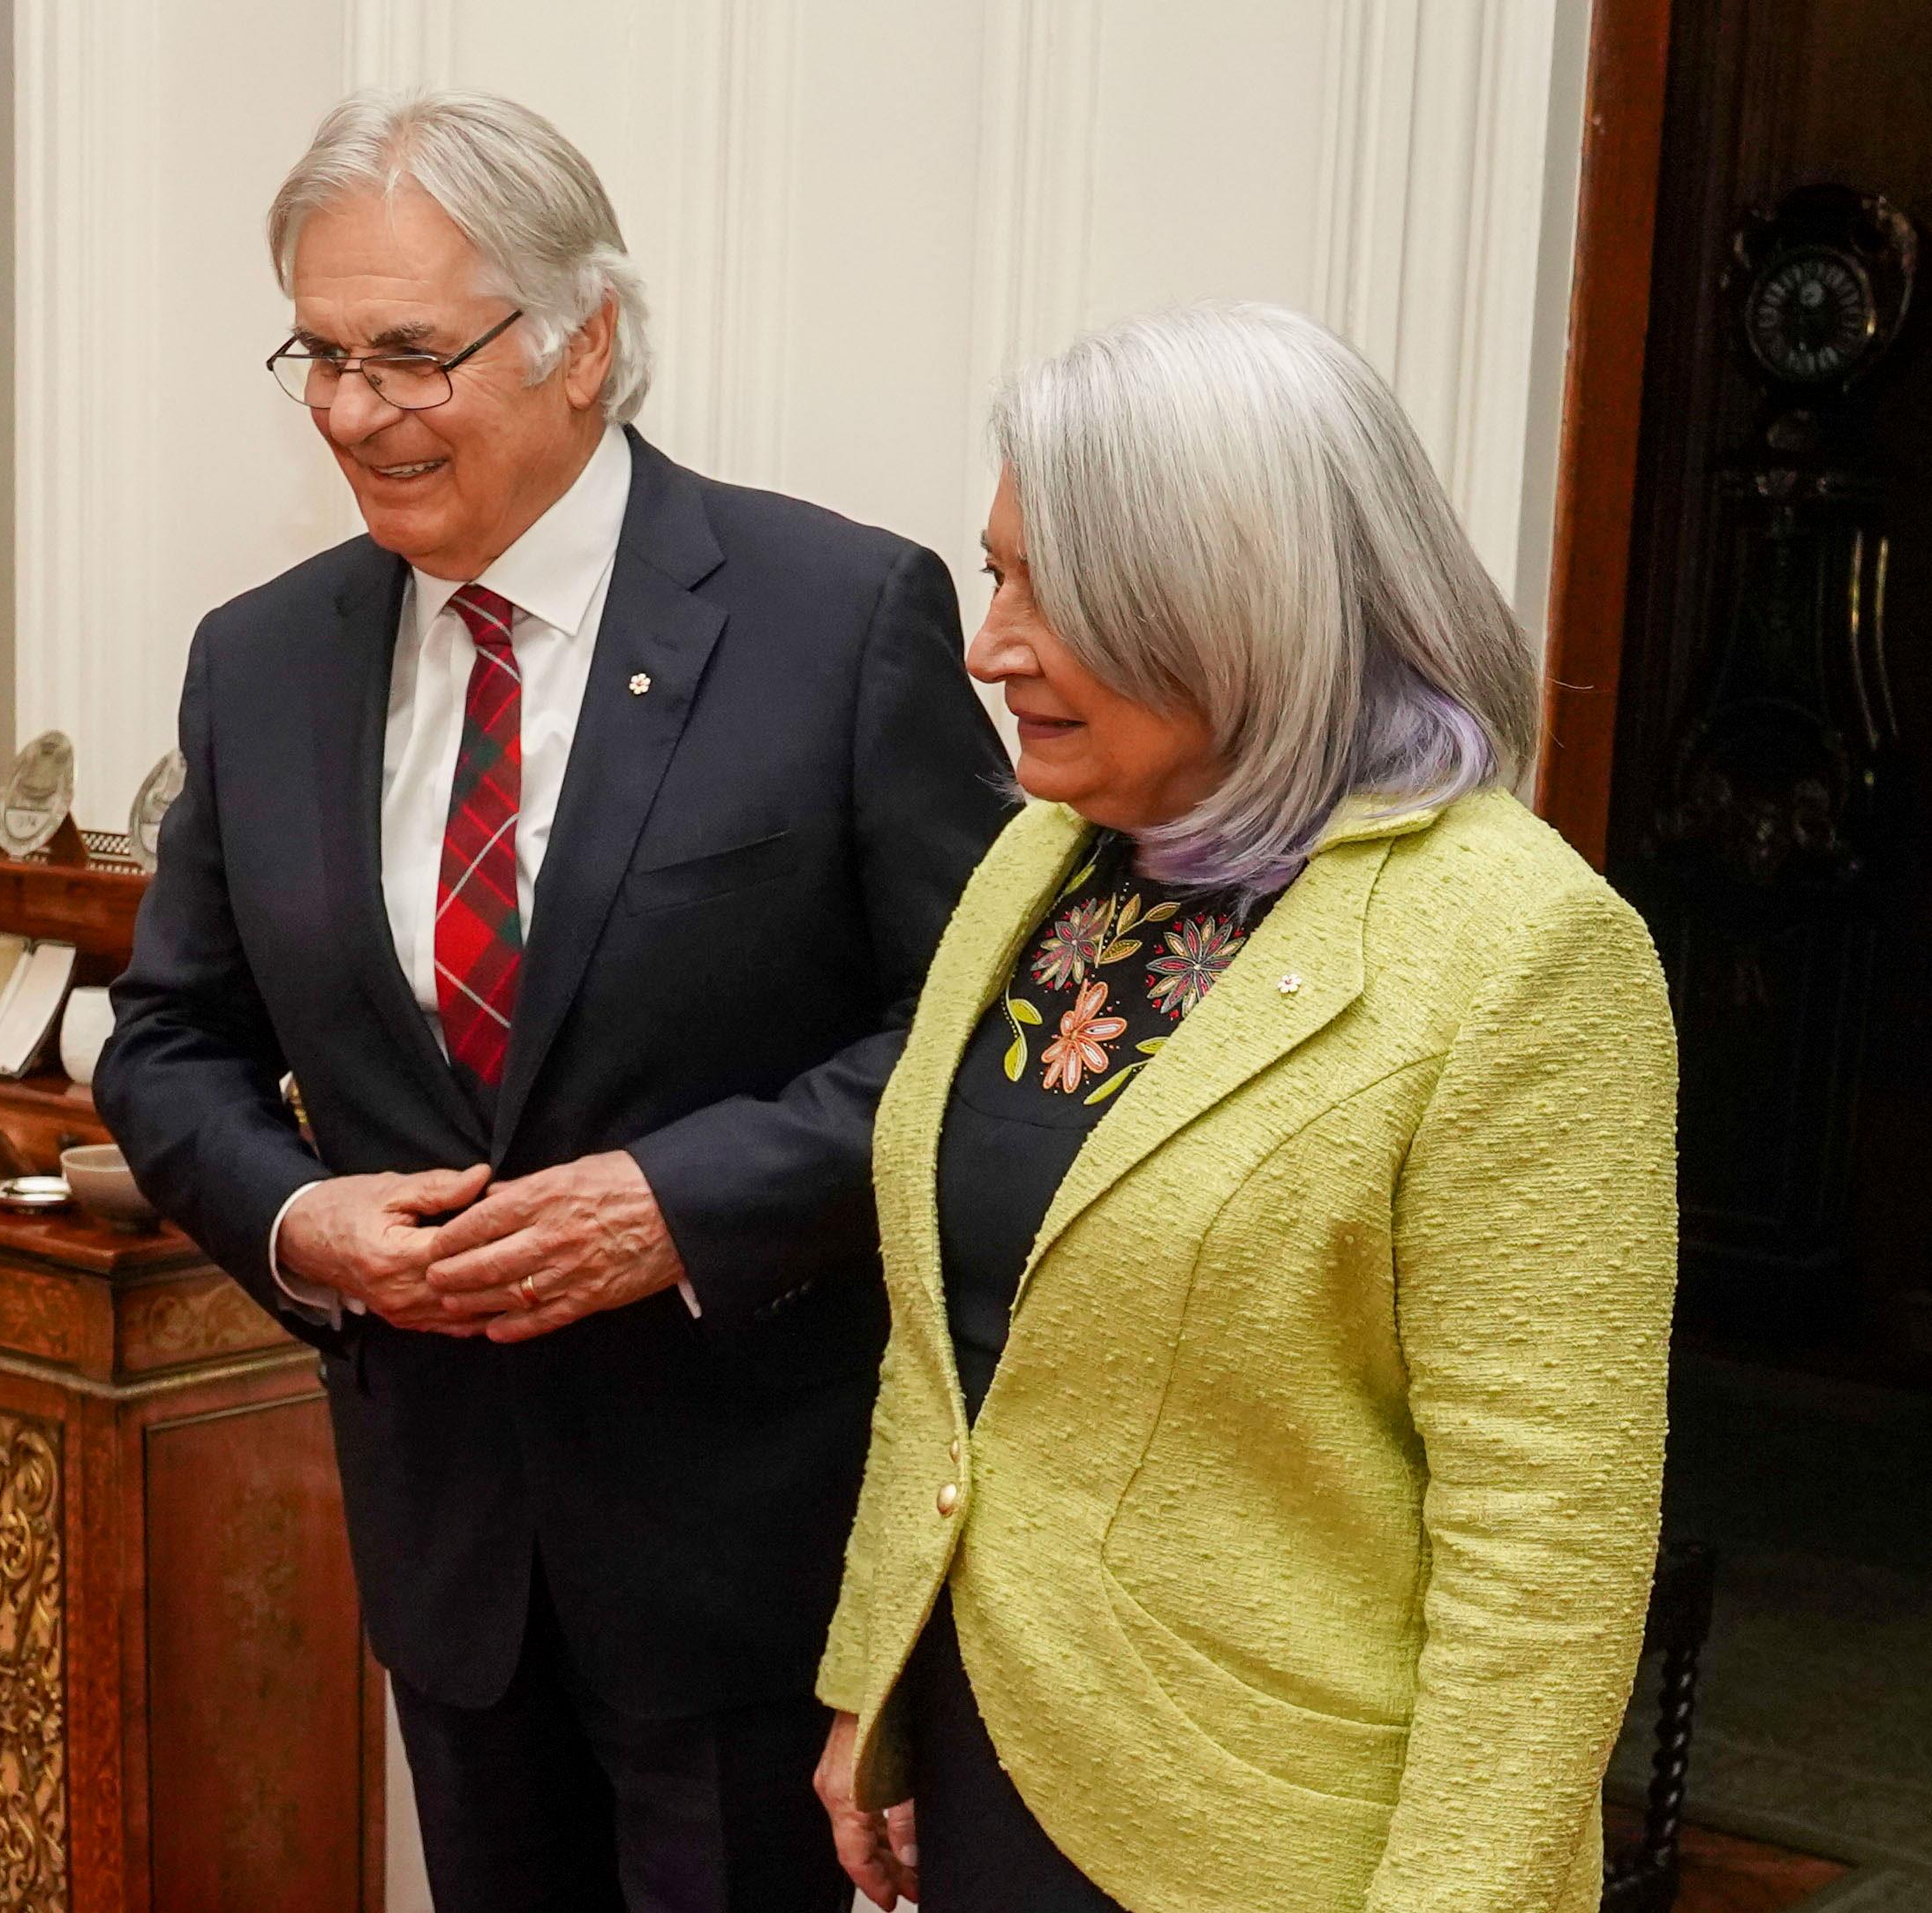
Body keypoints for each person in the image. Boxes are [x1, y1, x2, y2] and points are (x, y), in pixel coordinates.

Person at [94, 90, 1010, 1912]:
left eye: (411, 356)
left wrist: (684, 1204)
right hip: (454, 1552)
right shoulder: (262, 661)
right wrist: (295, 1219)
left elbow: (977, 1034)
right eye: (322, 356)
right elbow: (168, 1042)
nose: (355, 412)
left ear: (583, 340)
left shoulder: (838, 618)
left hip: (753, 1555)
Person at [810, 303, 1678, 1912]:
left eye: (1043, 590)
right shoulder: (1042, 854)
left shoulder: (1520, 947)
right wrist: (879, 1665)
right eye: (993, 572)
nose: (989, 644)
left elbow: (1546, 1541)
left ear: (1228, 606)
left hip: (1278, 1835)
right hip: (988, 1754)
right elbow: (950, 1338)